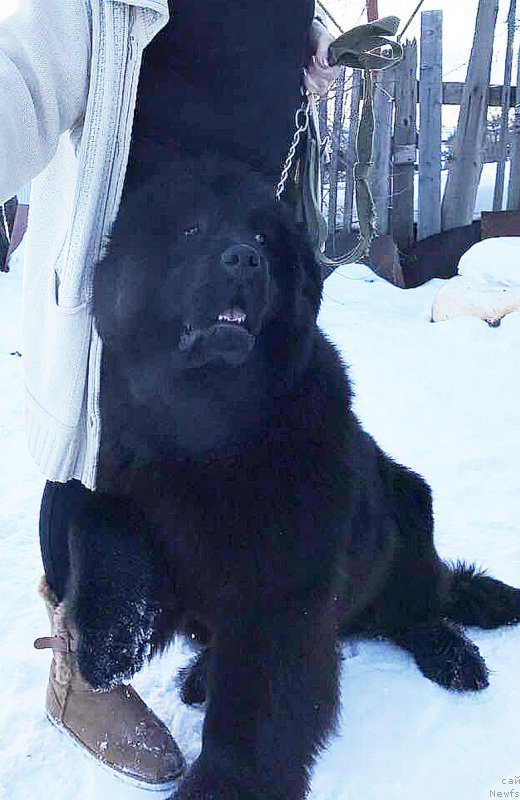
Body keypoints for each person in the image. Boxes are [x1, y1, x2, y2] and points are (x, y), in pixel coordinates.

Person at [0, 0, 340, 791]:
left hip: (238, 267)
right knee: (93, 472)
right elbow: (18, 76)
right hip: (128, 274)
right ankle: (85, 681)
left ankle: (224, 632)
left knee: (230, 475)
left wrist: (311, 36)